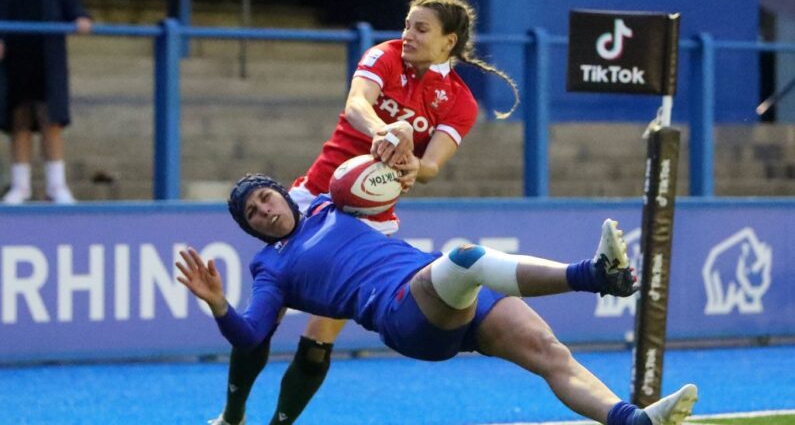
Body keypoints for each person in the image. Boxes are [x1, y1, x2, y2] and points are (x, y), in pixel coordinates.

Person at [212, 0, 521, 425]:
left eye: (421, 28)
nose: (407, 34)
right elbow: (356, 105)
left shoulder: (461, 102)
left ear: (448, 41)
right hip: (313, 197)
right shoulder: (385, 56)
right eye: (407, 24)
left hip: (370, 218)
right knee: (263, 317)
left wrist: (413, 165)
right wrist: (383, 132)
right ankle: (232, 414)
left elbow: (431, 166)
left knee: (320, 337)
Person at [178, 174, 699, 425]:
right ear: (250, 229)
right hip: (405, 314)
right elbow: (250, 336)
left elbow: (379, 168)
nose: (263, 211)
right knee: (468, 258)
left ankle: (631, 420)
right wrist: (219, 304)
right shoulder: (270, 267)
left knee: (549, 353)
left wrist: (393, 145)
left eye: (264, 197)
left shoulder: (326, 202)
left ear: (281, 193)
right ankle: (595, 276)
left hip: (443, 294)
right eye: (251, 214)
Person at [0, 0, 92, 204]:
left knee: (50, 120)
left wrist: (81, 18)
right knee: (18, 120)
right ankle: (20, 186)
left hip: (47, 60)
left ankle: (56, 186)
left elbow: (75, 9)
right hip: (15, 60)